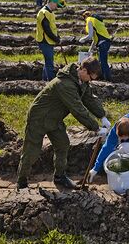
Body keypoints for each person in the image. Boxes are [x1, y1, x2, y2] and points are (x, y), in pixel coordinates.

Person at [16, 57, 112, 190]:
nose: (91, 80)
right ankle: (21, 182)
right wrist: (95, 127)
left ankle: (60, 177)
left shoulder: (80, 81)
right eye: (90, 77)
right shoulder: (65, 84)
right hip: (39, 117)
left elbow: (89, 99)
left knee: (63, 144)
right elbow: (77, 109)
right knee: (31, 150)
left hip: (55, 118)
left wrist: (102, 116)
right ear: (83, 70)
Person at [36, 0, 66, 81]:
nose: (56, 7)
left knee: (48, 62)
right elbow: (47, 29)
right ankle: (51, 82)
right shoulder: (43, 13)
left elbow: (52, 27)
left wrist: (57, 36)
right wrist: (56, 39)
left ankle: (44, 80)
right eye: (56, 5)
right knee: (49, 64)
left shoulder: (50, 13)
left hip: (49, 41)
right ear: (52, 3)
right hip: (45, 41)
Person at [80, 11, 112, 81]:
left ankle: (107, 79)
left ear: (85, 17)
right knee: (102, 62)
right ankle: (103, 77)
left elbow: (90, 35)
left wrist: (82, 39)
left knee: (103, 63)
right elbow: (95, 39)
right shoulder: (96, 22)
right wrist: (90, 50)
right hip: (106, 42)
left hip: (103, 43)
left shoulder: (89, 20)